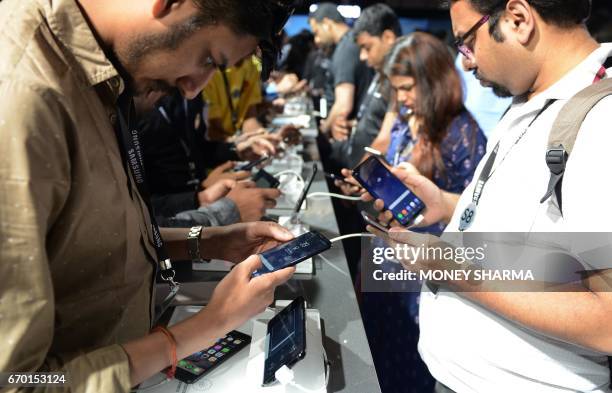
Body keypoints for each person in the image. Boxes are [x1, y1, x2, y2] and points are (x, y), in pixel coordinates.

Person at [0, 0, 297, 391]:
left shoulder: (102, 75)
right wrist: (209, 325)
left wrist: (210, 241)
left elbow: (95, 240)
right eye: (207, 58)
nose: (192, 91)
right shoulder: (25, 96)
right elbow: (18, 381)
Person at [365, 0, 612, 391]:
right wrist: (445, 203)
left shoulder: (603, 122)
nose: (464, 63)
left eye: (467, 42)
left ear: (518, 19)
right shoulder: (530, 99)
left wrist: (454, 271)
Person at [360, 32, 487, 393]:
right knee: (379, 360)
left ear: (434, 82)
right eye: (396, 90)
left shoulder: (463, 133)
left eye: (408, 89)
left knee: (411, 369)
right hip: (389, 263)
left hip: (426, 277)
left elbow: (474, 215)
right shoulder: (405, 119)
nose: (401, 98)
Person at [138, 90, 283, 227]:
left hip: (203, 200)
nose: (194, 85)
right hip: (180, 219)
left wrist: (235, 150)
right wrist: (199, 198)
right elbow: (138, 207)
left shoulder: (187, 93)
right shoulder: (134, 109)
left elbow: (196, 147)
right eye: (209, 62)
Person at [325, 3, 401, 170]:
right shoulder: (381, 74)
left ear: (388, 37)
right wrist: (353, 125)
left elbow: (387, 136)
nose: (362, 56)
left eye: (367, 47)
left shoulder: (400, 82)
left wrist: (362, 175)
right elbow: (377, 121)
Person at [308, 2, 374, 137]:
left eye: (317, 32)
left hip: (347, 134)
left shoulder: (346, 49)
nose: (317, 39)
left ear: (327, 23)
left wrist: (322, 132)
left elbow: (343, 104)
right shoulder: (349, 43)